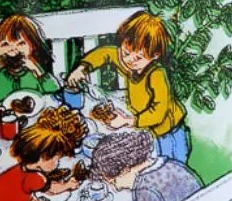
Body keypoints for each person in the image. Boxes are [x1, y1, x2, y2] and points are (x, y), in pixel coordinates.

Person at [66, 10, 189, 162]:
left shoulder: (156, 73)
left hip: (168, 130)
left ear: (155, 56)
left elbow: (158, 111)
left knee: (172, 165)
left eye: (138, 57)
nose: (129, 60)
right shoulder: (126, 62)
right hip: (146, 126)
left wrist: (127, 121)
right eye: (126, 52)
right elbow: (104, 53)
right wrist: (83, 68)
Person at [0, 12, 63, 102]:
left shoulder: (35, 73)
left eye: (21, 43)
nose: (13, 49)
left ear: (33, 46)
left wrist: (37, 71)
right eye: (5, 44)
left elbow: (55, 91)